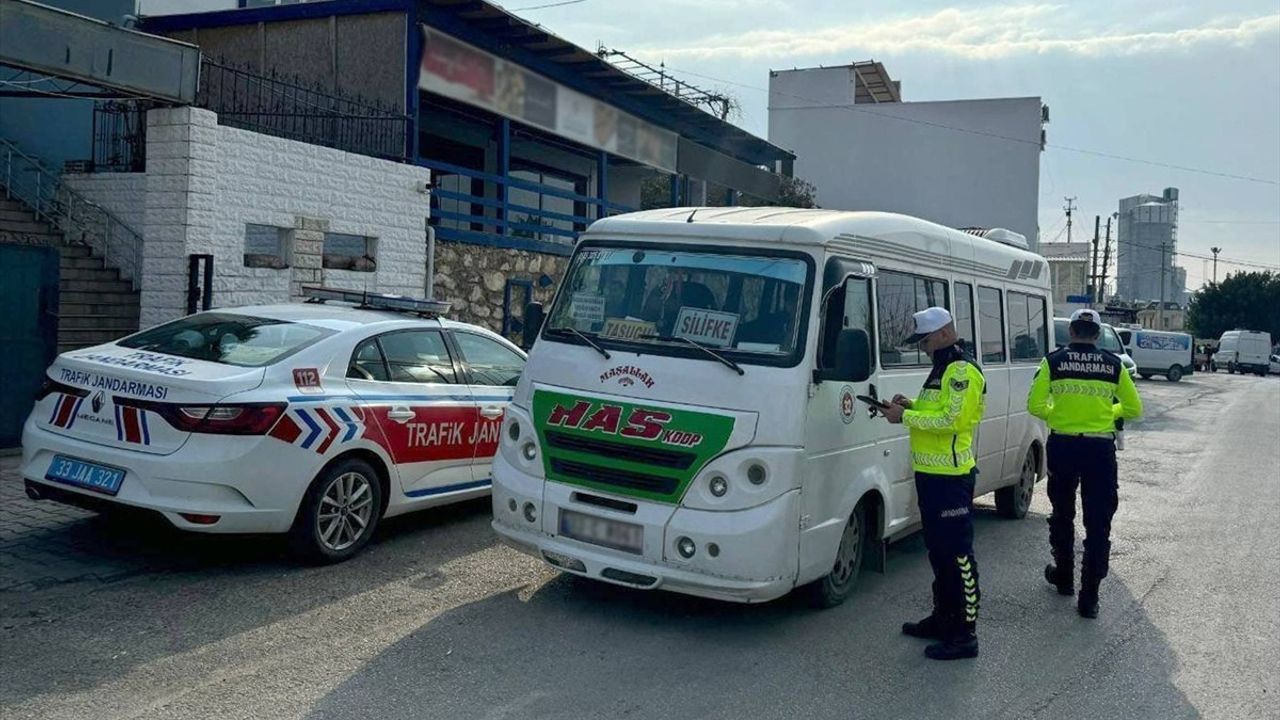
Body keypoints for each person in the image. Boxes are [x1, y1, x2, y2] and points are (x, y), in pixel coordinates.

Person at [879, 307, 986, 661]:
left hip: (952, 478)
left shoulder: (961, 370)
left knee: (957, 557)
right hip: (931, 476)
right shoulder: (941, 368)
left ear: (943, 334)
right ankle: (943, 618)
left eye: (925, 341)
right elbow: (934, 412)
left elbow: (952, 420)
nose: (923, 347)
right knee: (938, 553)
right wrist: (908, 406)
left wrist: (905, 416)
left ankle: (965, 634)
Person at [1028, 308, 1143, 618]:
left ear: (1072, 332)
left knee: (1062, 512)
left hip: (1064, 444)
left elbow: (1035, 405)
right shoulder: (1113, 364)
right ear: (1097, 335)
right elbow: (1133, 408)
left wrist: (1061, 415)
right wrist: (1108, 414)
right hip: (1099, 449)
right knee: (1098, 520)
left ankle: (1064, 577)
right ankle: (1089, 598)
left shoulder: (1052, 361)